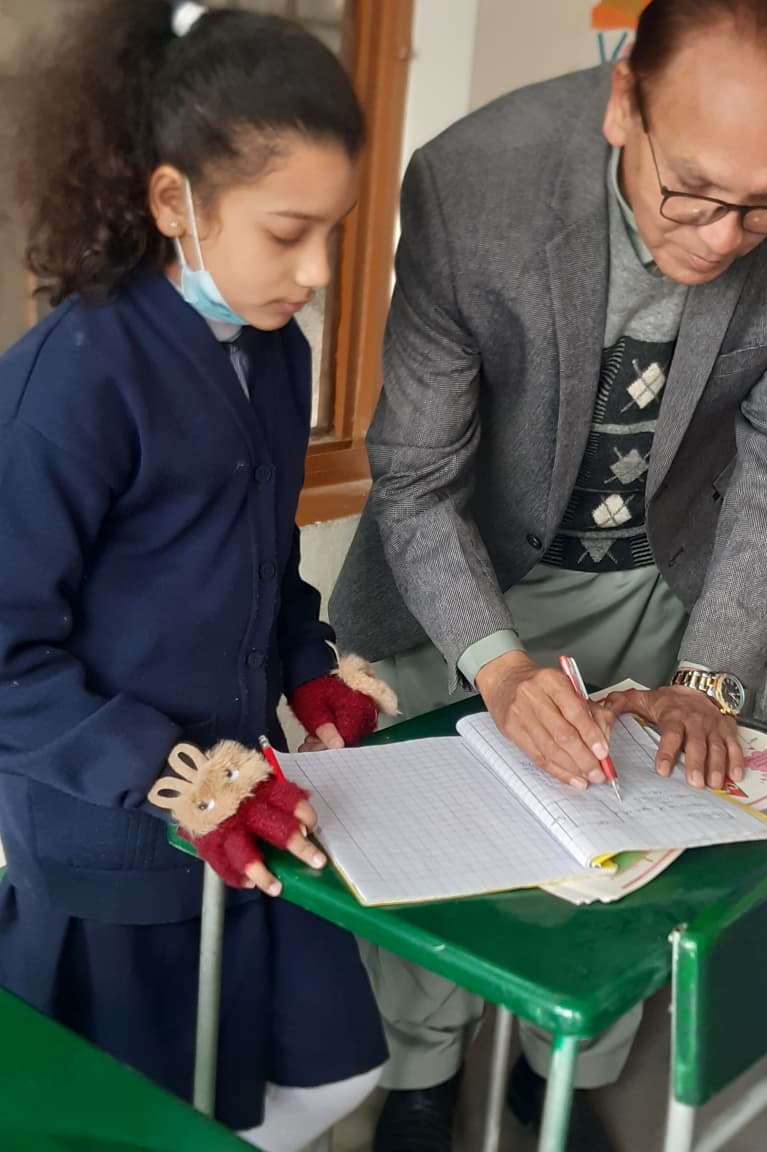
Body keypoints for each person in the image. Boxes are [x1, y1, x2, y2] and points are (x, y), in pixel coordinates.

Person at [329, 0, 767, 1147]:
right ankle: (422, 1079)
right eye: (694, 192)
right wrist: (497, 665)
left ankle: (563, 1072)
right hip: (471, 571)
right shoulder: (476, 185)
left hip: (656, 574)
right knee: (450, 852)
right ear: (626, 101)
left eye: (765, 204)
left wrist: (711, 678)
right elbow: (417, 476)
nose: (723, 239)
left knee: (633, 836)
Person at [0, 2, 393, 1148]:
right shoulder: (71, 382)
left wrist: (308, 666)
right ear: (176, 201)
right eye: (288, 232)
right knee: (139, 1119)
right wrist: (171, 776)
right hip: (116, 838)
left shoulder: (276, 352)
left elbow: (263, 558)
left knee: (334, 1073)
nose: (317, 271)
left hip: (251, 794)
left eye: (334, 231)